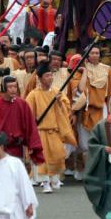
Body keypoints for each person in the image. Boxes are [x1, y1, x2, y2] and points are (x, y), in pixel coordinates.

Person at [26, 64, 77, 193]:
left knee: (57, 155)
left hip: (55, 130)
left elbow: (66, 109)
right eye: (47, 76)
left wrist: (60, 102)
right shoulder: (33, 95)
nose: (50, 78)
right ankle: (45, 182)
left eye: (51, 75)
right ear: (40, 78)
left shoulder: (57, 92)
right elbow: (28, 113)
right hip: (41, 131)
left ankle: (54, 178)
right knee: (43, 157)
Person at [71, 46, 111, 181]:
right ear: (87, 55)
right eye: (92, 53)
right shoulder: (80, 69)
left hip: (102, 109)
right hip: (85, 110)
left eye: (97, 53)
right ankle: (87, 171)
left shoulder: (107, 70)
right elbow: (79, 90)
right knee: (85, 144)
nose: (95, 55)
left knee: (102, 141)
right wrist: (85, 72)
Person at [0, 75, 44, 166]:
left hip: (16, 148)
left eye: (15, 86)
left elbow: (30, 126)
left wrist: (33, 145)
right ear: (4, 88)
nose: (13, 89)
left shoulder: (22, 104)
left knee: (15, 175)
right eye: (10, 87)